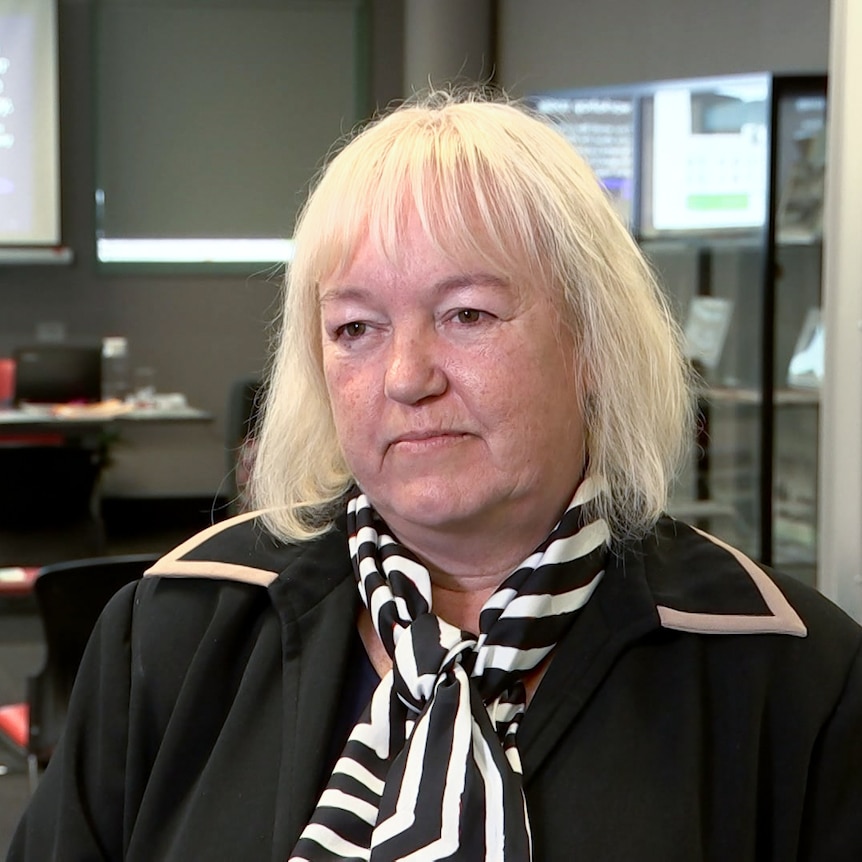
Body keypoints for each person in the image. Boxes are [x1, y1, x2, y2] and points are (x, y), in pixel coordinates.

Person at [8, 90, 862, 862]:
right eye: (356, 328)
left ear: (592, 343)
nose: (407, 376)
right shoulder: (172, 630)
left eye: (467, 314)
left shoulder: (793, 678)